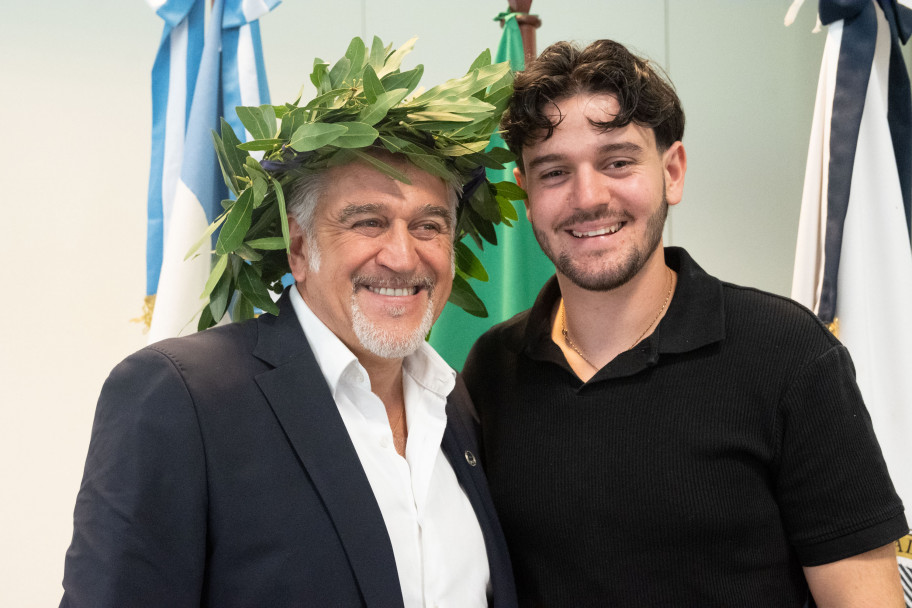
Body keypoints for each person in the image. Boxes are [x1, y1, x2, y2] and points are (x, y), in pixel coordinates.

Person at [60, 38, 518, 608]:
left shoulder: (455, 405)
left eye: (429, 226)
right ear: (299, 248)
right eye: (368, 222)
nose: (403, 257)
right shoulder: (181, 396)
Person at [461, 39, 908, 607]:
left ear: (672, 171)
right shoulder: (491, 371)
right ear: (527, 196)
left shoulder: (788, 354)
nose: (587, 196)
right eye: (554, 172)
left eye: (618, 161)